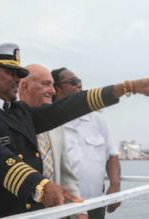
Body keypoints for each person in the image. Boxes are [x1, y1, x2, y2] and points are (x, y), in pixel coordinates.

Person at [0, 43, 149, 218]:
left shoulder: (20, 112)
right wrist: (41, 186)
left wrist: (127, 87)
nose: (17, 79)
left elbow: (68, 106)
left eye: (20, 74)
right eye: (11, 72)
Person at [49, 67, 123, 218]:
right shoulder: (48, 121)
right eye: (73, 82)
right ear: (56, 88)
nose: (79, 85)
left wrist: (115, 186)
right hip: (62, 209)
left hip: (95, 204)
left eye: (80, 82)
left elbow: (112, 155)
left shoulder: (97, 118)